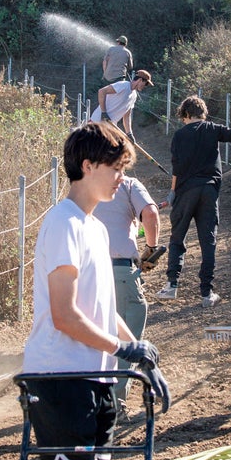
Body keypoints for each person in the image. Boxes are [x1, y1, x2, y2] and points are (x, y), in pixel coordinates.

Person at [21, 121, 169, 460]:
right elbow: (65, 314)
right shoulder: (63, 224)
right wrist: (122, 347)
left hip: (92, 376)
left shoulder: (94, 228)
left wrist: (138, 354)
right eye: (116, 168)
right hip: (61, 377)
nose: (122, 178)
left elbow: (102, 310)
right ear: (87, 166)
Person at [158, 95, 231, 308]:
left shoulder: (180, 135)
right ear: (203, 114)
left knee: (177, 238)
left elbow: (177, 168)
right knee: (208, 241)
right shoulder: (213, 129)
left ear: (187, 115)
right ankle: (207, 293)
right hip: (209, 191)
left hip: (185, 192)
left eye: (183, 117)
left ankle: (171, 285)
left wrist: (172, 192)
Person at [95, 163, 162, 420]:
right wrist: (151, 249)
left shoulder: (86, 184)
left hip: (86, 271)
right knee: (128, 333)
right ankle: (113, 402)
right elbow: (151, 214)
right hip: (119, 269)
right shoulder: (129, 184)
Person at [94, 68, 152, 141]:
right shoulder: (123, 85)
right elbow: (102, 91)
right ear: (140, 80)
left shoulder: (134, 96)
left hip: (109, 128)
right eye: (146, 83)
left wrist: (129, 133)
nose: (145, 86)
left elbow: (127, 116)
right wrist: (103, 112)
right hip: (96, 123)